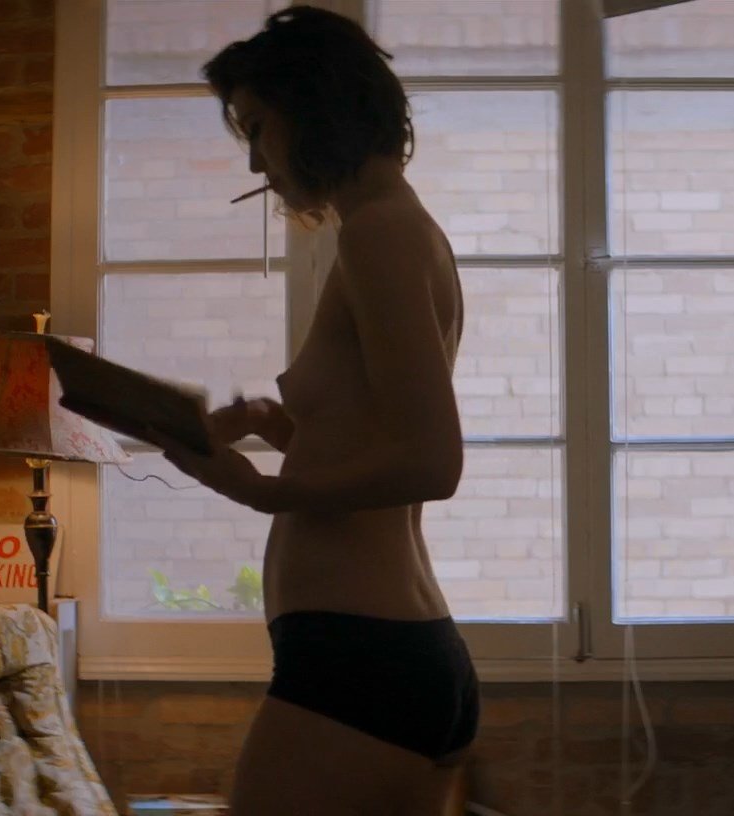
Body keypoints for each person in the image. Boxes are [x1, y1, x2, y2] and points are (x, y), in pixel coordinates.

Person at [155, 7, 476, 814]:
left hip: (358, 660)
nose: (255, 159)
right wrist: (276, 424)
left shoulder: (380, 235)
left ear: (314, 105)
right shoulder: (396, 227)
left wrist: (262, 491)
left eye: (258, 127)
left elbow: (433, 462)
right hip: (391, 654)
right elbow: (382, 436)